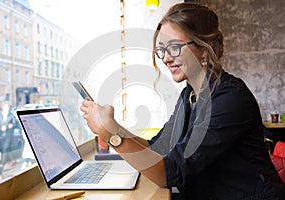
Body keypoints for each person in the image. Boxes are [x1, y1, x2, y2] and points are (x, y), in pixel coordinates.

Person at [80, 2, 285, 200]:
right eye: (162, 50)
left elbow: (169, 173)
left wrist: (111, 133)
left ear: (205, 48)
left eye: (175, 47)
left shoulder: (229, 99)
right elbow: (157, 147)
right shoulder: (189, 95)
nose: (166, 58)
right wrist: (113, 127)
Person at [0, 101, 17, 169]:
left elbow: (15, 124)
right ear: (2, 107)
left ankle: (2, 164)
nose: (7, 108)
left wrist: (11, 125)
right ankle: (13, 160)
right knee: (7, 148)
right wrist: (1, 127)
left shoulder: (11, 115)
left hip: (9, 134)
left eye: (8, 107)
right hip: (2, 134)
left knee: (5, 148)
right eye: (5, 107)